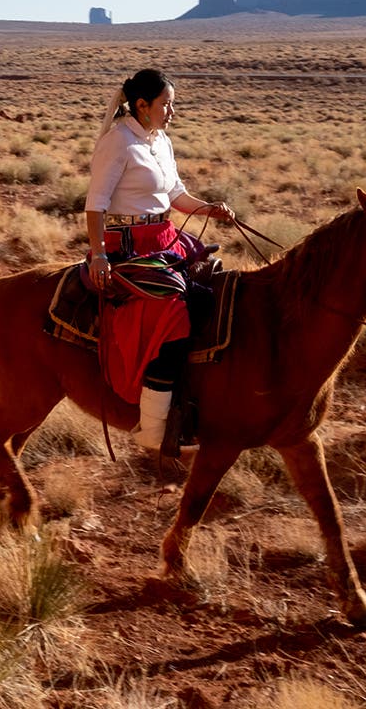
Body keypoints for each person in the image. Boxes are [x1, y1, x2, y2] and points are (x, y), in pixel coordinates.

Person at [84, 68, 235, 455]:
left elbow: (175, 194)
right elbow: (96, 203)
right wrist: (99, 254)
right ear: (141, 105)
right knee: (171, 314)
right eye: (166, 104)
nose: (172, 111)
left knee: (213, 295)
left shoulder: (160, 140)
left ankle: (194, 402)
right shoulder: (118, 142)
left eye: (173, 103)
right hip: (127, 247)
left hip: (165, 241)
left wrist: (209, 210)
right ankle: (152, 430)